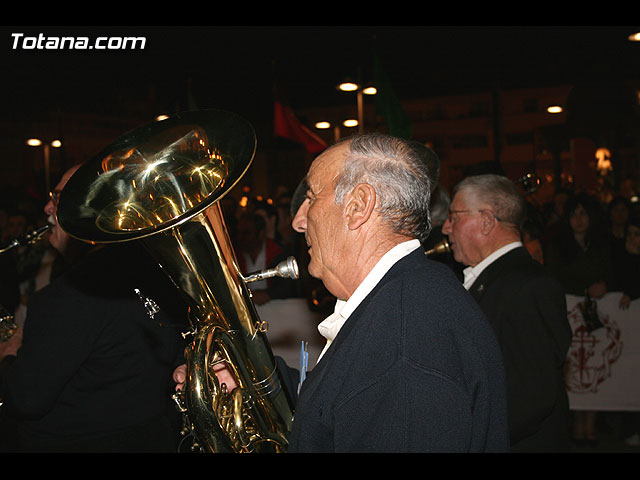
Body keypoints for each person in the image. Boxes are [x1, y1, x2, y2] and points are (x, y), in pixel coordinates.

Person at [176, 133, 510, 452]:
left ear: (358, 206)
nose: (298, 221)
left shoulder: (404, 346)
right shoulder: (408, 299)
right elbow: (347, 401)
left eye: (311, 197)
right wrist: (248, 379)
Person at [0, 165, 186, 452]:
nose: (47, 207)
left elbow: (26, 400)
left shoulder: (66, 296)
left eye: (58, 198)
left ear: (89, 210)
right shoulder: (161, 275)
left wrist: (8, 356)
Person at [441, 174, 573, 452]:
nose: (446, 227)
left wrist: (467, 439)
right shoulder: (497, 279)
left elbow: (531, 396)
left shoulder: (529, 286)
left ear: (486, 221)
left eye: (454, 216)